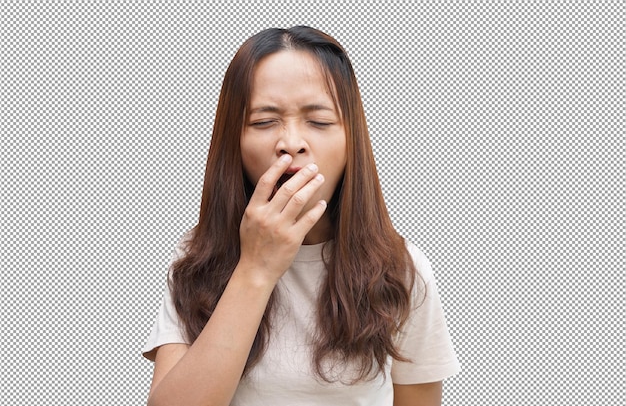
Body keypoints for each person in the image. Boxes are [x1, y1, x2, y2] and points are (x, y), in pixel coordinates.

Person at [142, 26, 460, 406]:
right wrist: (256, 269)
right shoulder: (198, 259)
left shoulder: (400, 268)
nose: (291, 143)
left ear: (350, 142)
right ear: (234, 143)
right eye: (263, 122)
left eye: (320, 121)